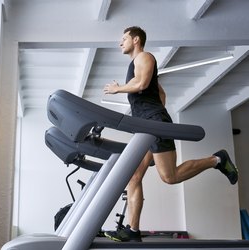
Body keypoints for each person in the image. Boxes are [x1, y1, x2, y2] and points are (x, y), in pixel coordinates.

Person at [102, 26, 239, 242]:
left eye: (124, 38)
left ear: (136, 40)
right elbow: (160, 93)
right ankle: (133, 230)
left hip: (154, 124)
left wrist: (119, 89)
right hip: (145, 125)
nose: (120, 42)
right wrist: (152, 109)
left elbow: (143, 84)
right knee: (134, 176)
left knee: (169, 177)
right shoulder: (135, 64)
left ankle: (217, 159)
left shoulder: (144, 57)